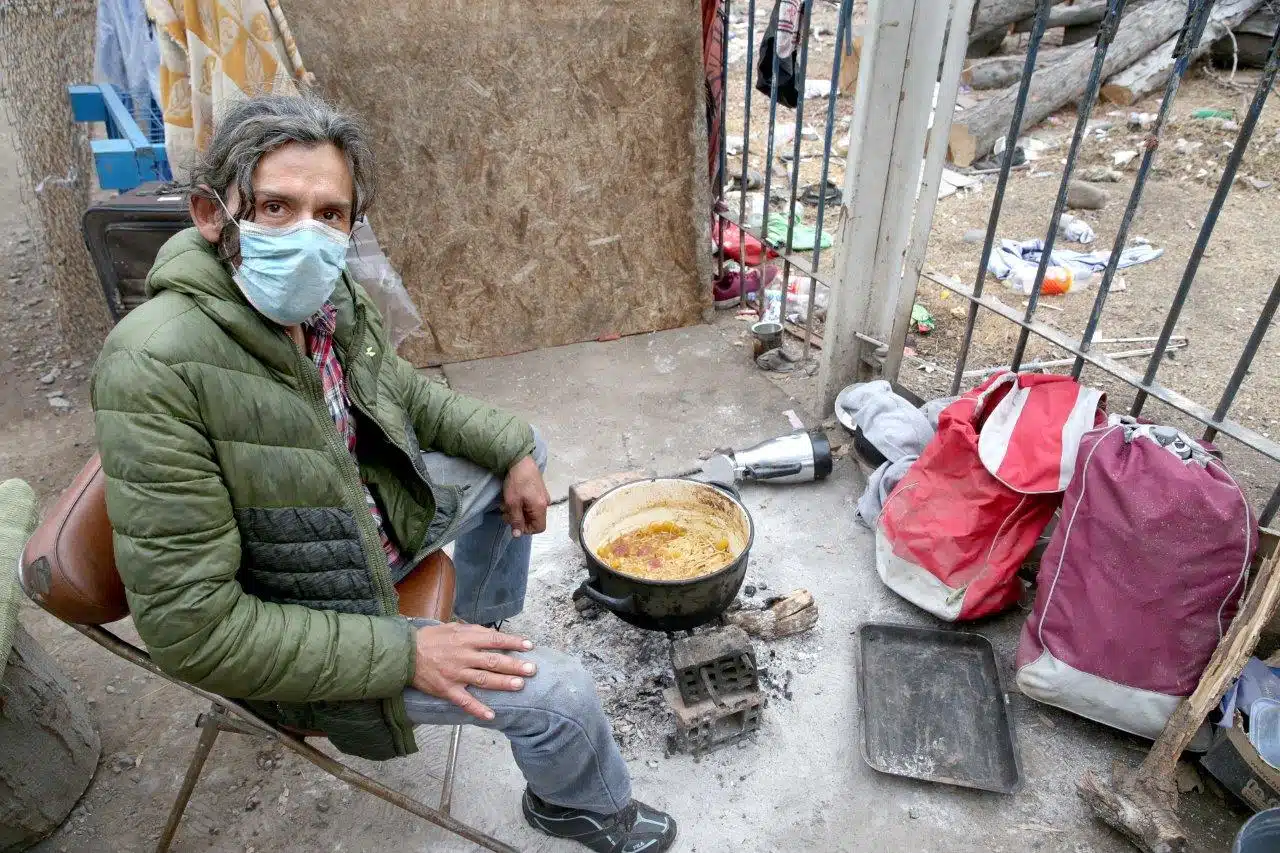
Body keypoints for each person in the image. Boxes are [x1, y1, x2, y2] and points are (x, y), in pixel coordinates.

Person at [90, 93, 677, 853]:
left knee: (520, 451)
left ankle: (481, 620)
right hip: (312, 611)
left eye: (330, 214)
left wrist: (512, 447)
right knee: (562, 696)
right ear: (213, 214)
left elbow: (401, 393)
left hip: (362, 521)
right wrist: (406, 651)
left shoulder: (323, 296)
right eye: (275, 206)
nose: (307, 234)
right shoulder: (155, 367)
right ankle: (579, 807)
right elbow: (192, 630)